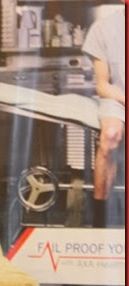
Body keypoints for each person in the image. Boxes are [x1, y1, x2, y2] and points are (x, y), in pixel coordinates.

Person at [82, 7, 125, 228]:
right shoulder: (103, 28)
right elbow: (102, 85)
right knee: (109, 137)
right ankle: (99, 218)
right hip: (117, 97)